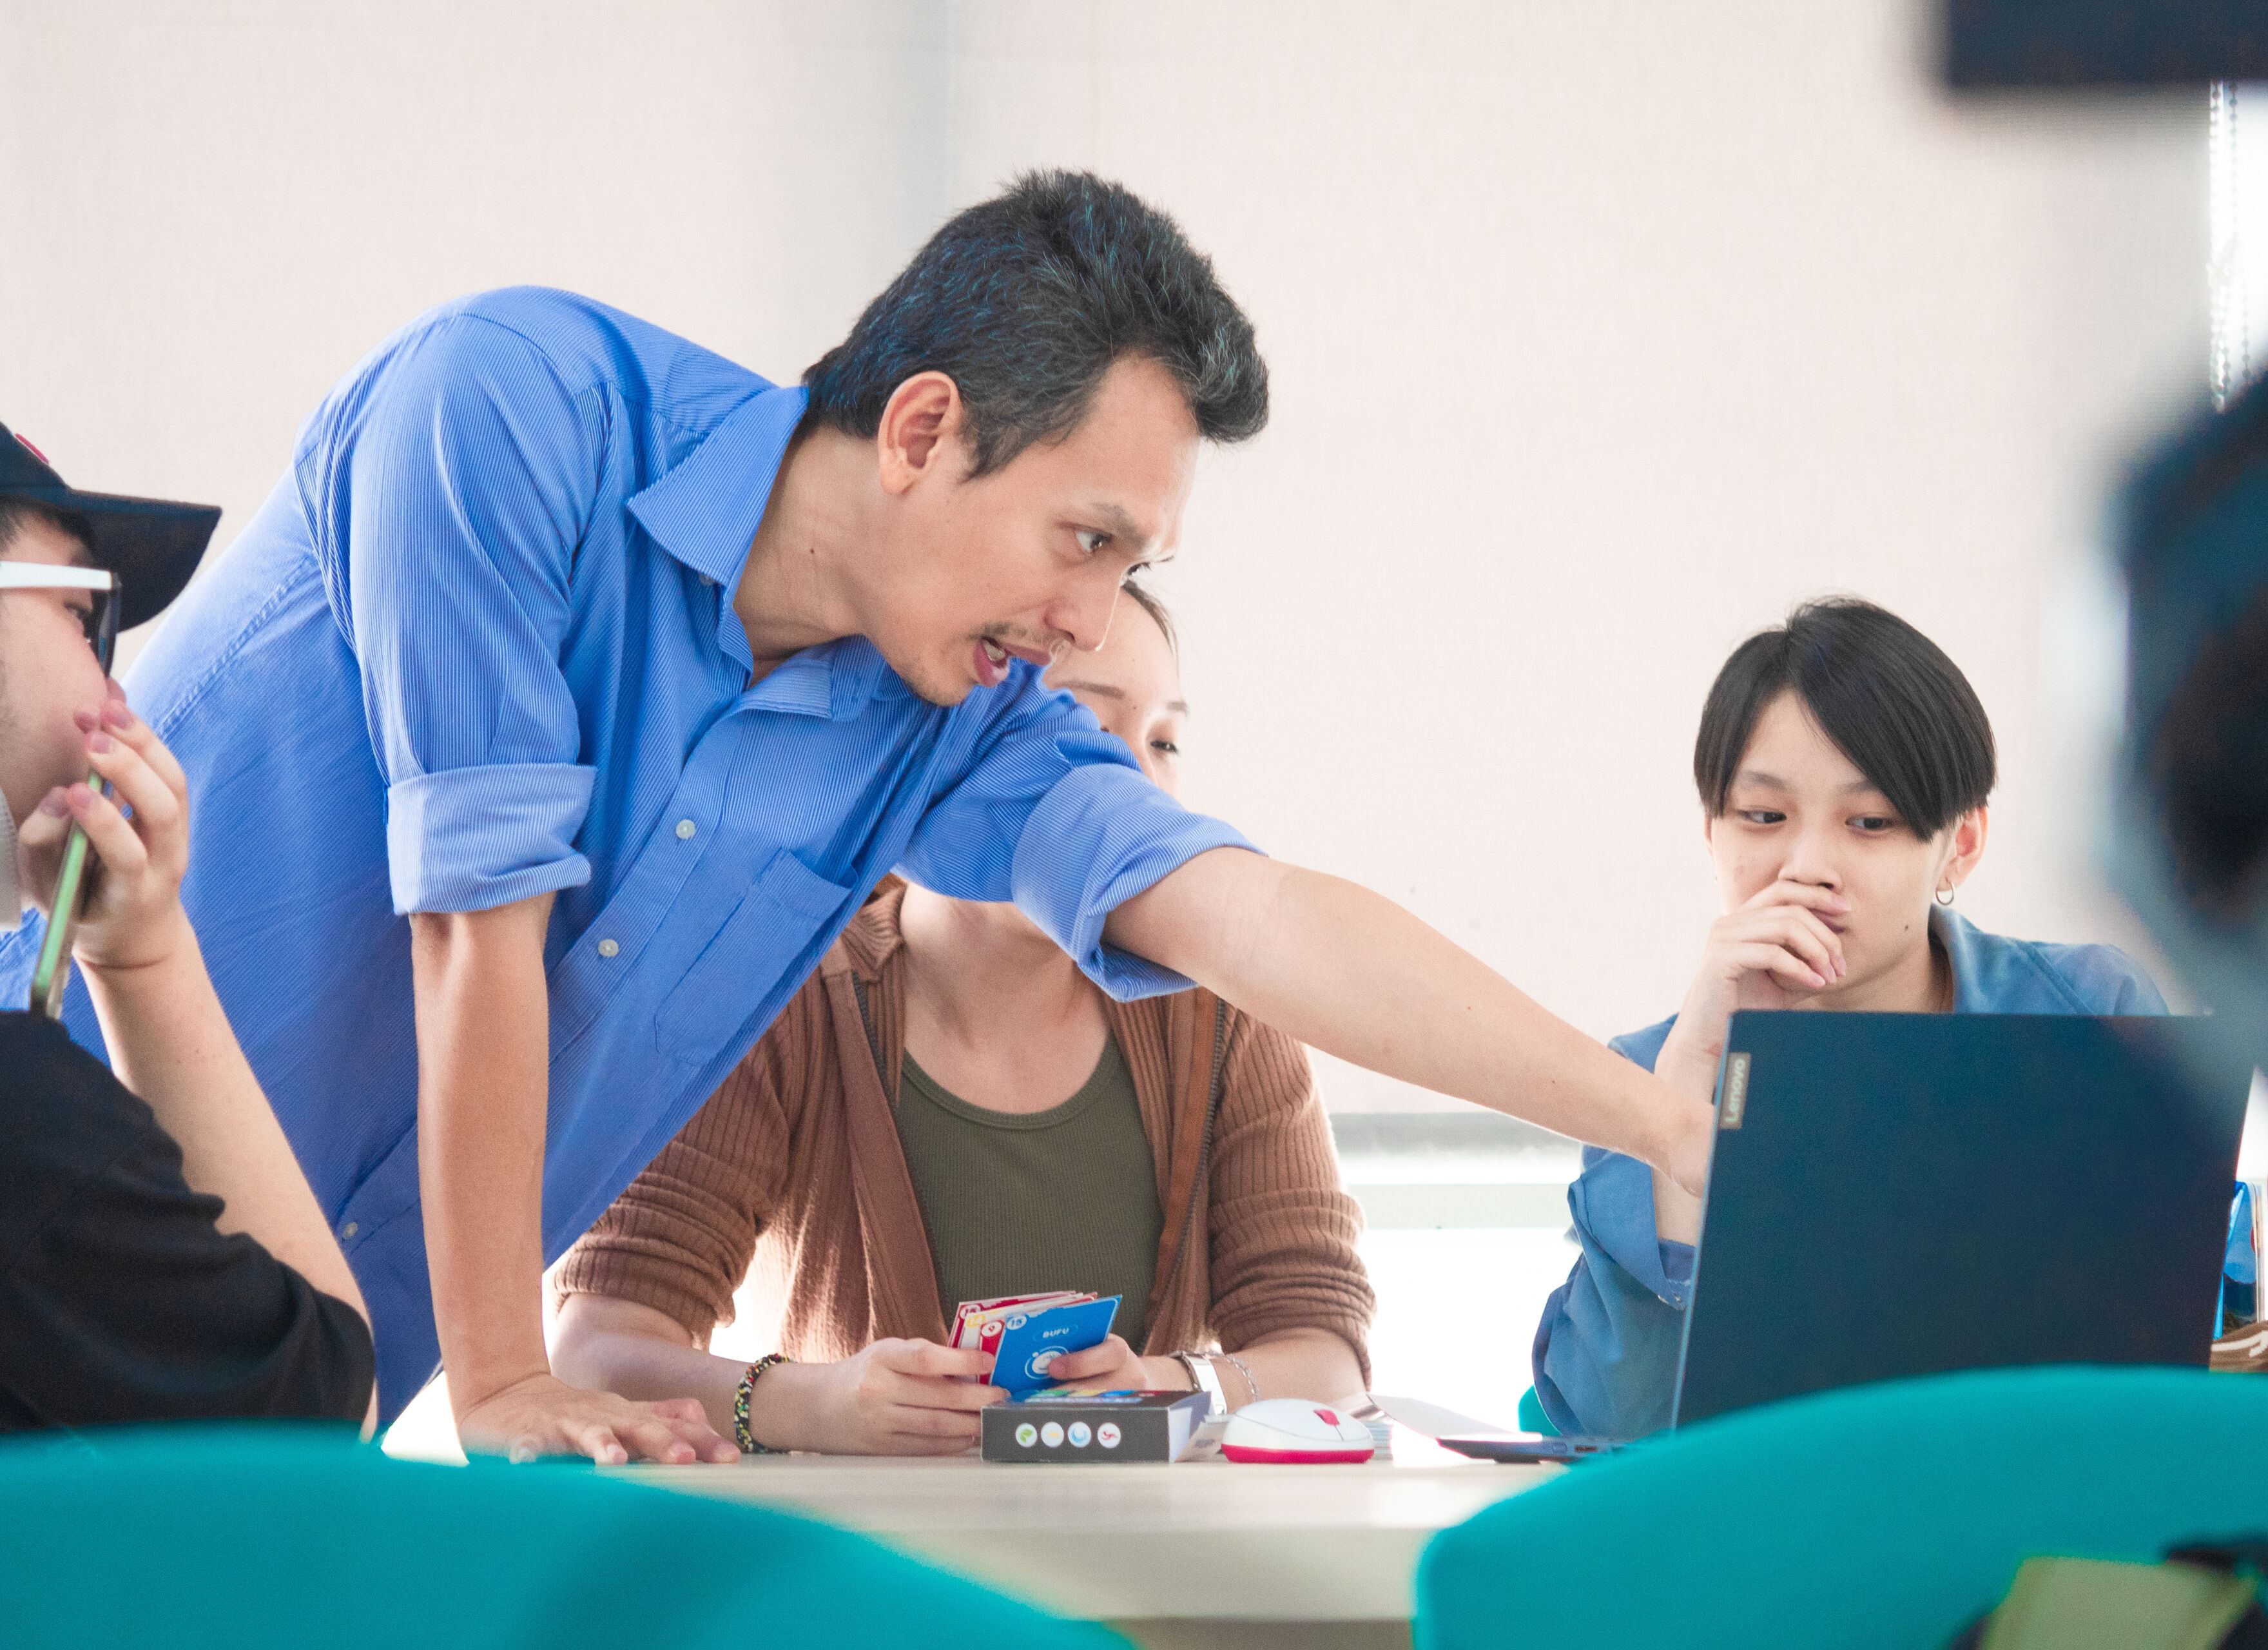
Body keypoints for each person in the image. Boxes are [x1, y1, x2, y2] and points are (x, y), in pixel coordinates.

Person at [0, 171, 1709, 1463]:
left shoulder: (959, 725)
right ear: (921, 429)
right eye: (1088, 540)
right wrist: (510, 1375)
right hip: (56, 1231)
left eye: (1134, 569)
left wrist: (1649, 1120)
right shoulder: (507, 408)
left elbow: (1258, 920)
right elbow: (479, 940)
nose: (1097, 624)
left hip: (299, 1389)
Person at [546, 585, 1371, 1451]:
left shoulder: (1226, 1014)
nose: (1142, 792)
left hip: (1165, 1577)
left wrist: (1171, 1386)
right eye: (1087, 734)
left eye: (1163, 741)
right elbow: (593, 1353)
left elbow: (1328, 1356)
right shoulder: (778, 999)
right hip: (870, 1577)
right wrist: (817, 1405)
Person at [1531, 597, 2168, 1439]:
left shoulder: (2086, 1011)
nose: (1808, 866)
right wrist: (1695, 1074)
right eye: (1763, 818)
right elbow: (1619, 1424)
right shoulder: (1647, 1073)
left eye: (1869, 823)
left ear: (1961, 845)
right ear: (1712, 832)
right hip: (1779, 1533)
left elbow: (2191, 1341)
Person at [0, 426, 377, 1432]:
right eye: (84, 619)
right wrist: (146, 959)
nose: (115, 690)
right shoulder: (16, 1116)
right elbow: (318, 1428)